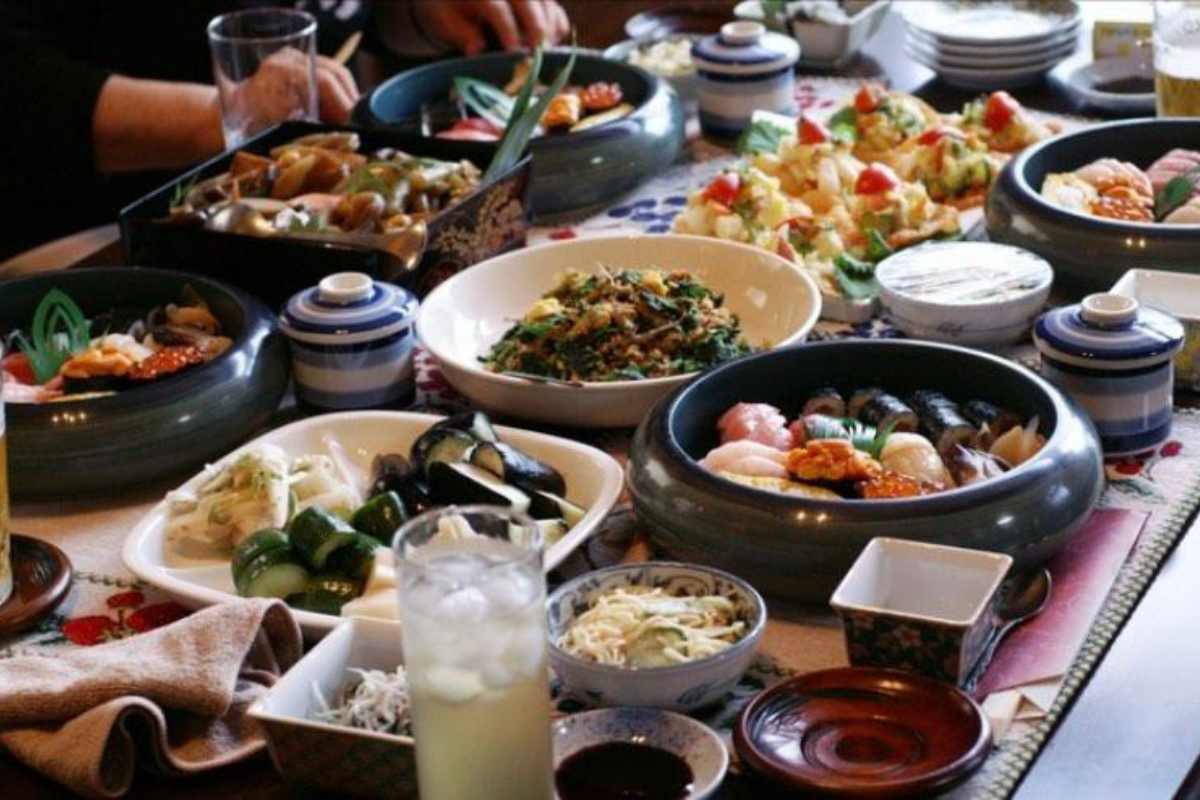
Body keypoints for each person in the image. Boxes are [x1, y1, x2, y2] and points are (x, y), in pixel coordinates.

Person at [0, 0, 569, 260]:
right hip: (108, 240)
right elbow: (17, 91)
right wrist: (228, 114)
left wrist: (418, 15)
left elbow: (347, 17)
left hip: (326, 223)